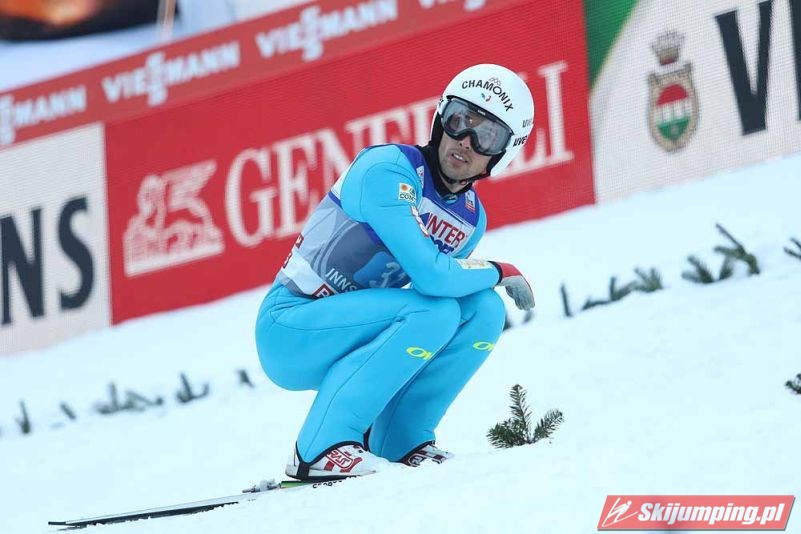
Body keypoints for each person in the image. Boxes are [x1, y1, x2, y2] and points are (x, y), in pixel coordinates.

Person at [255, 63, 536, 481]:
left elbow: (442, 288)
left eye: (486, 135)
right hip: (290, 329)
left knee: (483, 310)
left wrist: (487, 278)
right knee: (434, 311)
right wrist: (501, 270)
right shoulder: (387, 169)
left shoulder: (470, 219)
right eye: (459, 119)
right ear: (440, 118)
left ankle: (400, 441)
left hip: (356, 332)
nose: (466, 140)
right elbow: (433, 277)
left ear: (503, 152)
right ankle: (320, 448)